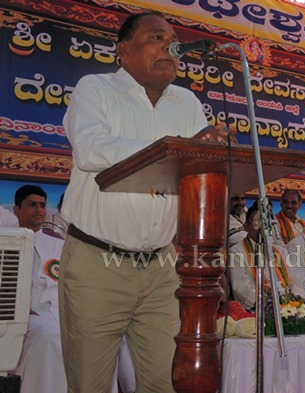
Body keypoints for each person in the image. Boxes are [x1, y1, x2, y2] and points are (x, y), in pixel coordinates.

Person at [59, 12, 233, 392]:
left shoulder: (186, 101)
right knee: (89, 385)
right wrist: (177, 149)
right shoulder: (96, 89)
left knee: (167, 383)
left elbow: (194, 169)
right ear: (123, 51)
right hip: (97, 265)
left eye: (173, 42)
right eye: (157, 38)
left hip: (164, 268)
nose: (170, 48)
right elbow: (90, 150)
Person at [10, 185, 67, 393]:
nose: (39, 210)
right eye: (31, 204)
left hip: (61, 312)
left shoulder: (59, 245)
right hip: (23, 314)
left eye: (42, 205)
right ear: (16, 209)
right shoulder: (7, 241)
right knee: (49, 333)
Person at [229, 202, 305, 309]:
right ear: (246, 226)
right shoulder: (236, 252)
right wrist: (269, 305)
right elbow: (241, 289)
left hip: (287, 307)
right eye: (257, 222)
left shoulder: (281, 251)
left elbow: (296, 281)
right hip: (255, 309)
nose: (262, 228)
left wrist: (295, 302)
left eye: (265, 224)